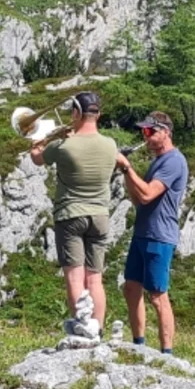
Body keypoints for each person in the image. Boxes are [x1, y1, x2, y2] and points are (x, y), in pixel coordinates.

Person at [30, 91, 118, 335]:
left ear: (77, 112)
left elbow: (37, 158)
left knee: (75, 277)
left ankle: (81, 326)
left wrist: (37, 141)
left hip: (71, 214)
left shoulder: (63, 146)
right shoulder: (111, 145)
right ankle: (98, 330)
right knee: (95, 278)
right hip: (100, 216)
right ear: (98, 114)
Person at [116, 111, 188, 355]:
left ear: (165, 133)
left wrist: (127, 167)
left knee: (158, 295)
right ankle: (139, 345)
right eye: (143, 131)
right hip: (143, 232)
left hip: (159, 235)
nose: (145, 136)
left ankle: (167, 353)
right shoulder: (158, 161)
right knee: (131, 288)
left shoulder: (173, 161)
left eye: (150, 131)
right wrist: (126, 171)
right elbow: (138, 200)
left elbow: (147, 194)